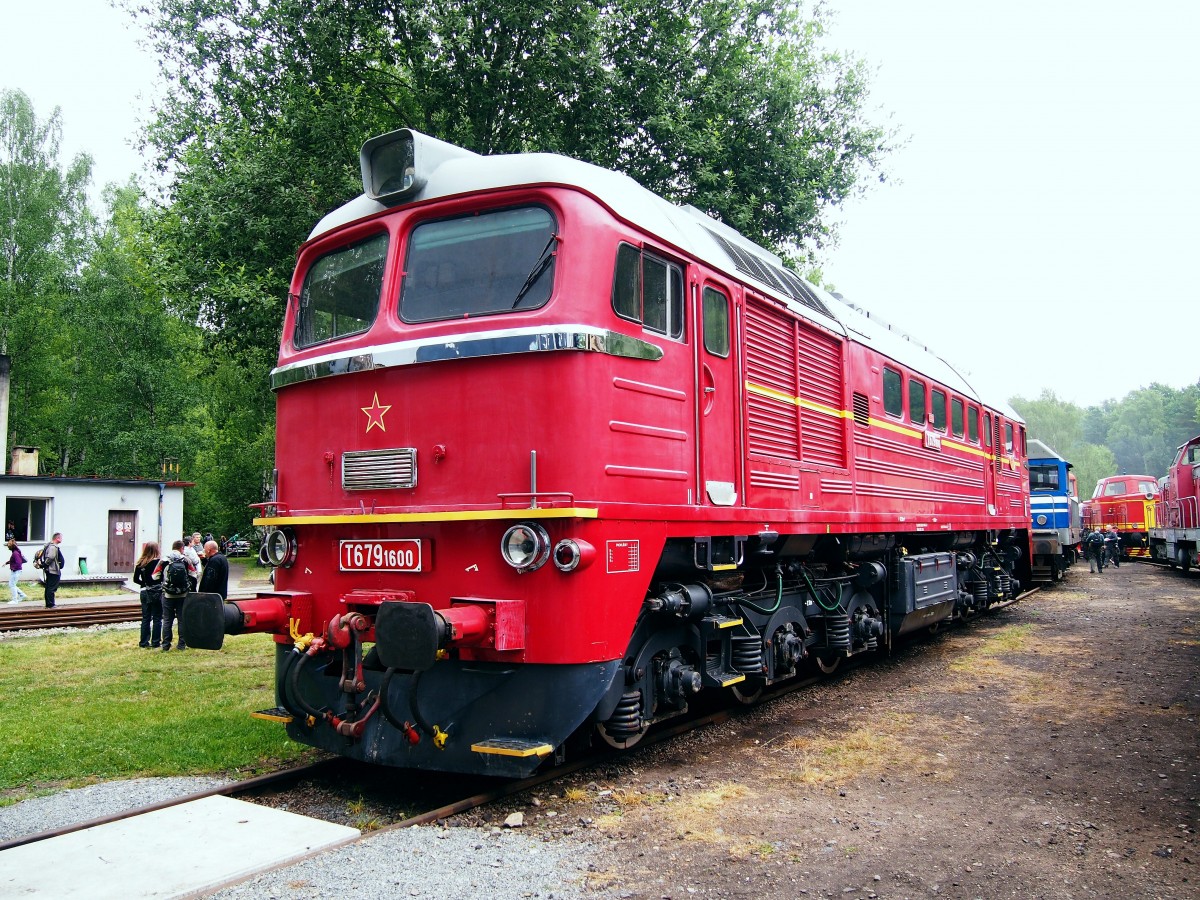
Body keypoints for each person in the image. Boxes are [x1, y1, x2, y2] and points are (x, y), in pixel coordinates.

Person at [153, 539, 197, 651]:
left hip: (168, 594)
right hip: (183, 595)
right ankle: (181, 644)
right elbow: (194, 574)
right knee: (182, 619)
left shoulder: (164, 560)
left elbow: (154, 576)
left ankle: (166, 645)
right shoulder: (186, 560)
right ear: (182, 548)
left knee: (167, 620)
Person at [133, 541, 164, 648]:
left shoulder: (140, 562)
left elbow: (135, 579)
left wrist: (144, 583)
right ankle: (156, 642)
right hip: (156, 592)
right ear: (157, 550)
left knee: (146, 617)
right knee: (157, 617)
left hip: (144, 591)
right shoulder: (159, 562)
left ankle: (143, 642)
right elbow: (161, 578)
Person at [38, 533, 65, 608]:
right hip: (53, 570)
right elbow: (51, 557)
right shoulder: (53, 547)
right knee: (51, 587)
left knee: (49, 587)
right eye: (61, 538)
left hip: (51, 570)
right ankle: (50, 604)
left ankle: (49, 603)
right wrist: (45, 564)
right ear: (58, 538)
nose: (62, 539)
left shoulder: (50, 546)